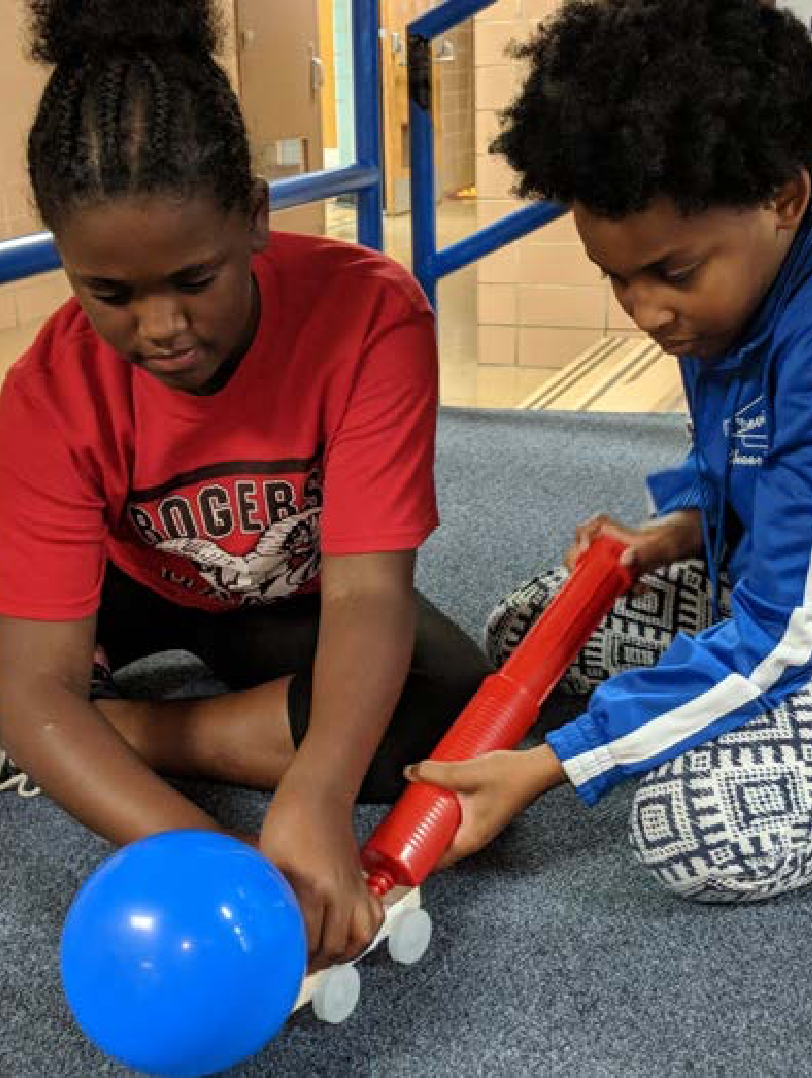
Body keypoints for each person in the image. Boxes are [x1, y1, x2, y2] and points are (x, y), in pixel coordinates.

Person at [0, 0, 489, 968]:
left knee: (455, 714)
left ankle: (135, 727)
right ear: (65, 262)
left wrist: (313, 790)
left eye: (193, 279)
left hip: (286, 583)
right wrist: (205, 855)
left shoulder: (370, 316)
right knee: (20, 684)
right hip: (124, 584)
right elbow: (34, 684)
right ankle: (112, 730)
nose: (160, 328)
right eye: (111, 293)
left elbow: (365, 591)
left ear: (257, 217)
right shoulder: (44, 396)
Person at [408, 0, 812, 903]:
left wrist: (548, 766)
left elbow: (787, 633)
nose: (646, 312)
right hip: (775, 600)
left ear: (785, 197)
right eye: (616, 278)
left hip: (796, 630)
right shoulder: (733, 297)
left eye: (672, 274)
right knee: (526, 630)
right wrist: (670, 533)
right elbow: (755, 472)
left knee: (685, 829)